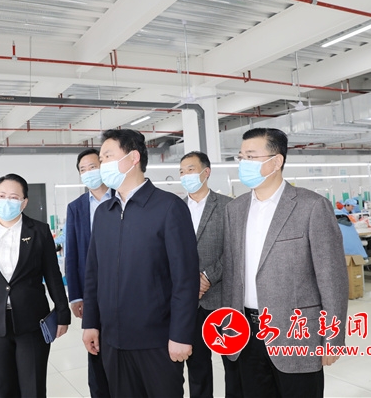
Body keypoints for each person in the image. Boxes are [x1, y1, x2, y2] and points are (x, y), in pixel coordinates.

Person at [222, 128, 348, 397]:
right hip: (246, 333)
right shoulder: (234, 210)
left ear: (276, 161)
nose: (244, 163)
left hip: (297, 334)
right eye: (241, 157)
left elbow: (332, 278)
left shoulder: (311, 206)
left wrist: (333, 336)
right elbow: (232, 274)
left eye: (251, 156)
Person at [82, 129, 199, 397]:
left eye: (107, 156)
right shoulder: (104, 213)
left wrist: (181, 335)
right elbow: (93, 273)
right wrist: (91, 323)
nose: (101, 164)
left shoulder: (168, 208)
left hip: (157, 342)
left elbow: (185, 278)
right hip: (112, 341)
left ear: (133, 158)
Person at [0, 173, 71, 398]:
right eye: (2, 195)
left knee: (33, 388)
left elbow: (52, 274)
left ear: (24, 202)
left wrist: (63, 312)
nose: (7, 201)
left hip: (32, 321)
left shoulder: (39, 231)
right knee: (4, 388)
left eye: (13, 197)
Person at [179, 151, 232, 398]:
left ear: (206, 172)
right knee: (197, 366)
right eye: (182, 172)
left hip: (221, 298)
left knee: (233, 362)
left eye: (190, 170)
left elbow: (235, 250)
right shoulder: (175, 209)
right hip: (189, 302)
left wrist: (209, 276)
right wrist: (190, 282)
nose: (185, 176)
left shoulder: (228, 206)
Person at [65, 148, 112, 398]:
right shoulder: (76, 207)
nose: (88, 173)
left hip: (124, 286)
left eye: (93, 167)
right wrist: (75, 296)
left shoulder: (121, 197)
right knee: (95, 348)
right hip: (92, 290)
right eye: (83, 170)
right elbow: (72, 253)